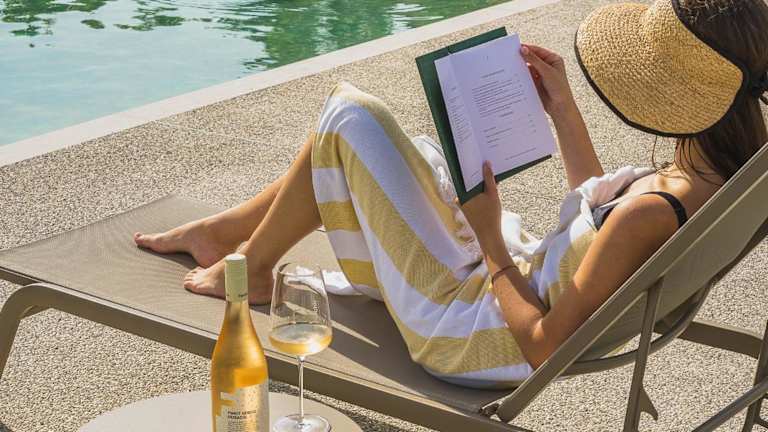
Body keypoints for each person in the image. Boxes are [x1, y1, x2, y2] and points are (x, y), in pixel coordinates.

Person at [134, 0, 768, 388]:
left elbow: (544, 345)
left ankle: (253, 265)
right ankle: (228, 236)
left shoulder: (653, 211)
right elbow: (603, 235)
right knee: (410, 150)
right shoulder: (727, 172)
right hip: (508, 284)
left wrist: (488, 233)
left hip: (470, 333)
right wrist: (564, 111)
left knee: (349, 117)